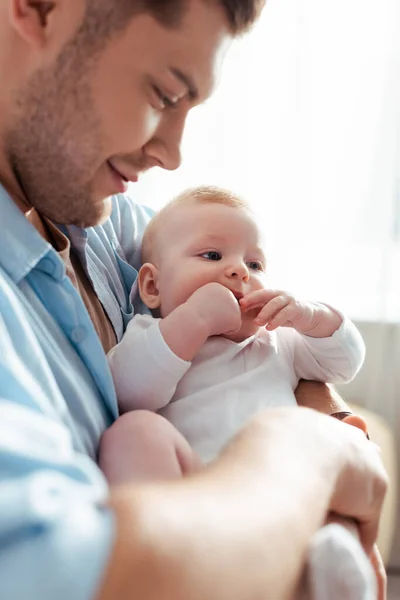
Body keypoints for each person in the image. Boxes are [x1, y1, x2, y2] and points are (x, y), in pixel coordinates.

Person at [0, 1, 387, 600]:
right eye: (162, 93)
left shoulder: (99, 216)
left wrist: (327, 414)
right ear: (40, 8)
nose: (171, 155)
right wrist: (312, 457)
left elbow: (233, 276)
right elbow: (67, 577)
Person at [103, 185, 377, 600]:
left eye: (255, 262)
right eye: (212, 256)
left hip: (279, 490)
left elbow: (344, 362)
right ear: (153, 287)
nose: (239, 272)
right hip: (191, 492)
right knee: (134, 432)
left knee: (333, 504)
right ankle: (160, 552)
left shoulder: (276, 342)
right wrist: (193, 321)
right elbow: (128, 392)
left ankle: (321, 570)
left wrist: (310, 315)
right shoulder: (152, 334)